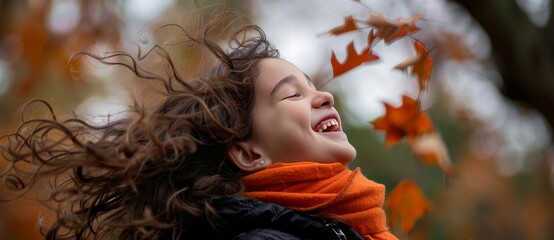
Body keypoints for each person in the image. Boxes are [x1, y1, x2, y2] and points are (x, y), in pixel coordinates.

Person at [0, 10, 397, 240]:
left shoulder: (341, 227)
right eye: (291, 95)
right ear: (248, 152)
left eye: (313, 87)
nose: (323, 97)